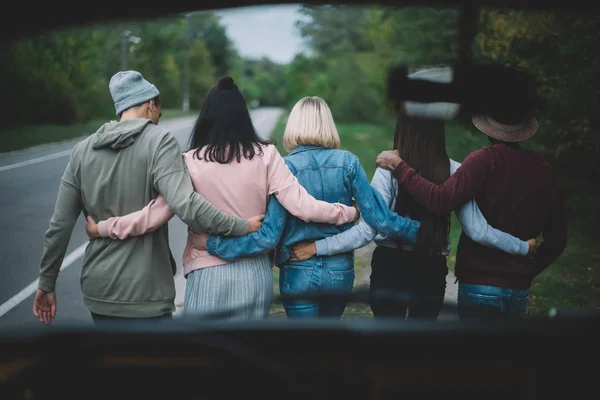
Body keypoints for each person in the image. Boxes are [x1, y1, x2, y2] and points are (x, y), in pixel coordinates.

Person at [85, 79, 360, 321]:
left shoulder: (188, 161)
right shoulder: (267, 155)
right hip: (254, 273)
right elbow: (302, 205)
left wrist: (105, 228)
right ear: (244, 117)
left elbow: (156, 213)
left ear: (206, 118)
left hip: (207, 270)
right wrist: (348, 213)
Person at [33, 71, 262, 326]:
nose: (159, 117)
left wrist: (46, 283)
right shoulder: (160, 142)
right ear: (151, 103)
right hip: (147, 292)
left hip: (100, 290)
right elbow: (186, 203)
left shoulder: (82, 151)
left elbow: (59, 227)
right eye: (159, 110)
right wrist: (241, 225)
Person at [189, 96, 424, 319]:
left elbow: (269, 236)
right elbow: (380, 219)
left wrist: (214, 245)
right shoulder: (348, 162)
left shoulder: (284, 167)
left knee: (303, 349)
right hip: (338, 270)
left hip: (298, 270)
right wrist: (423, 232)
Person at [289, 114, 537, 320]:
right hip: (431, 267)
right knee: (421, 348)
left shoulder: (388, 168)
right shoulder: (455, 170)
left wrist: (317, 247)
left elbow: (368, 229)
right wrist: (522, 247)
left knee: (388, 346)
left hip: (390, 265)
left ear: (403, 130)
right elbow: (478, 230)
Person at [375, 102, 568, 318]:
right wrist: (527, 265)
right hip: (511, 284)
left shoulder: (481, 161)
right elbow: (557, 238)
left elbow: (438, 201)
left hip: (472, 281)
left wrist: (400, 168)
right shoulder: (544, 170)